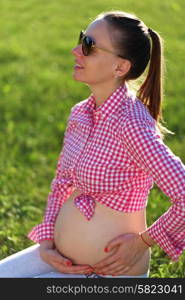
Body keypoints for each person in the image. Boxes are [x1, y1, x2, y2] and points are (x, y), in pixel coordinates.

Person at [0, 10, 184, 278]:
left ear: (120, 67)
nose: (76, 50)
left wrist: (143, 242)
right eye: (81, 39)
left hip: (109, 274)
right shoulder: (80, 114)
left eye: (89, 46)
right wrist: (48, 239)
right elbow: (62, 181)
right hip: (61, 257)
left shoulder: (130, 124)